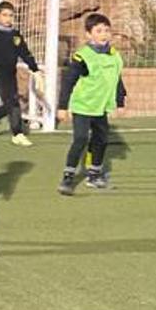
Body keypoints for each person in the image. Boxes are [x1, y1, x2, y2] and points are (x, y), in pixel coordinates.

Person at [56, 13, 127, 195]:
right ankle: (68, 176)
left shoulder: (114, 56)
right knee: (80, 139)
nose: (104, 34)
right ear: (89, 35)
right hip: (83, 106)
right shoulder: (82, 57)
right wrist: (62, 106)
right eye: (99, 31)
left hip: (101, 108)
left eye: (106, 30)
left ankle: (94, 175)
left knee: (101, 140)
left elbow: (117, 80)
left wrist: (120, 102)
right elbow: (68, 81)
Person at [0, 1, 40, 146]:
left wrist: (35, 69)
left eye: (11, 16)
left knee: (13, 103)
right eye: (4, 15)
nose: (8, 19)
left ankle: (10, 131)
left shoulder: (15, 35)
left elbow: (25, 53)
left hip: (11, 73)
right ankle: (9, 129)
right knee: (12, 102)